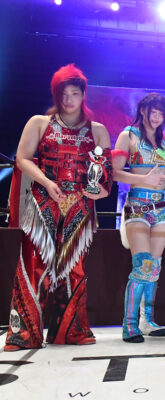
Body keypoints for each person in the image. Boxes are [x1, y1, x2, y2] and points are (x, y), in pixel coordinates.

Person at [4, 64, 113, 351]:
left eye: (74, 93)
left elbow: (106, 176)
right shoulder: (39, 122)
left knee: (73, 269)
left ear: (83, 95)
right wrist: (46, 182)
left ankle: (71, 331)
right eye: (63, 94)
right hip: (42, 205)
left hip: (79, 208)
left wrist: (99, 191)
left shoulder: (98, 130)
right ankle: (24, 334)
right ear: (56, 94)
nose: (68, 99)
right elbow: (22, 158)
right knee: (33, 265)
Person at [112, 93, 165, 343]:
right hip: (138, 205)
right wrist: (143, 179)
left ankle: (147, 320)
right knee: (143, 265)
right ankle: (129, 325)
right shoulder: (129, 135)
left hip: (162, 208)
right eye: (153, 111)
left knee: (154, 267)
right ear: (143, 110)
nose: (157, 117)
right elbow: (114, 173)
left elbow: (163, 175)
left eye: (161, 113)